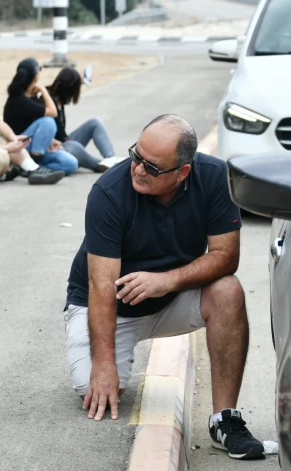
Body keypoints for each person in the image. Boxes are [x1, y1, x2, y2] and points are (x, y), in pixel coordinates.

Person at [63, 114, 265, 460]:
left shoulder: (216, 179)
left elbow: (226, 257)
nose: (138, 169)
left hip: (169, 296)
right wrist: (105, 362)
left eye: (152, 167)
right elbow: (100, 285)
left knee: (228, 290)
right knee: (93, 386)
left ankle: (225, 421)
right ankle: (104, 354)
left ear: (182, 171)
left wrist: (166, 281)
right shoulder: (108, 193)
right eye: (135, 156)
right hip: (111, 301)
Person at [3, 58, 79, 176]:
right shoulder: (18, 99)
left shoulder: (30, 97)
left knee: (71, 163)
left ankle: (31, 167)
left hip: (34, 147)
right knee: (48, 121)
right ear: (35, 77)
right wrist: (43, 90)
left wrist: (50, 140)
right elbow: (53, 113)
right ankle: (33, 167)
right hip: (19, 147)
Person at [47, 67, 124, 173]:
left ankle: (111, 158)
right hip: (54, 147)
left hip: (65, 141)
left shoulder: (60, 99)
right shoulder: (47, 101)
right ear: (68, 90)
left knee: (95, 123)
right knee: (75, 147)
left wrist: (83, 80)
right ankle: (101, 165)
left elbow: (69, 83)